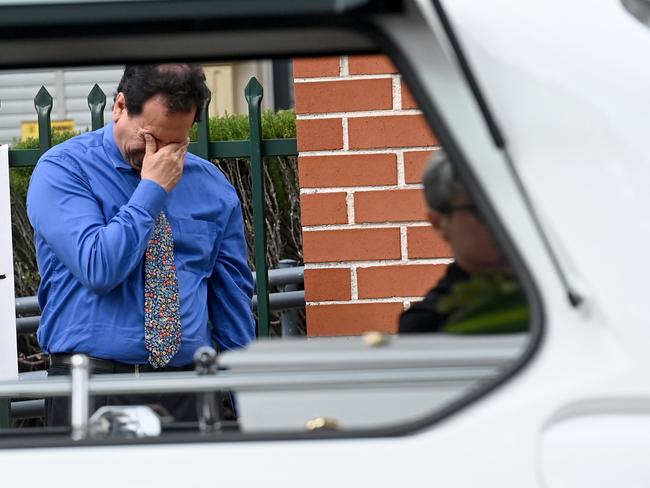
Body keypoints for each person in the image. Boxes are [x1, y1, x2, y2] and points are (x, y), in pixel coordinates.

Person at [27, 64, 255, 426]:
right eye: (150, 138)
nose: (159, 154)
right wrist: (152, 189)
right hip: (94, 386)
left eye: (175, 143)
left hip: (189, 388)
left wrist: (251, 409)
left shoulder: (211, 185)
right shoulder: (64, 171)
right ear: (119, 107)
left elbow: (232, 303)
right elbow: (99, 267)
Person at [399, 151, 517, 334]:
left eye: (512, 205)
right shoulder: (428, 324)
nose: (503, 220)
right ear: (440, 224)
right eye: (482, 210)